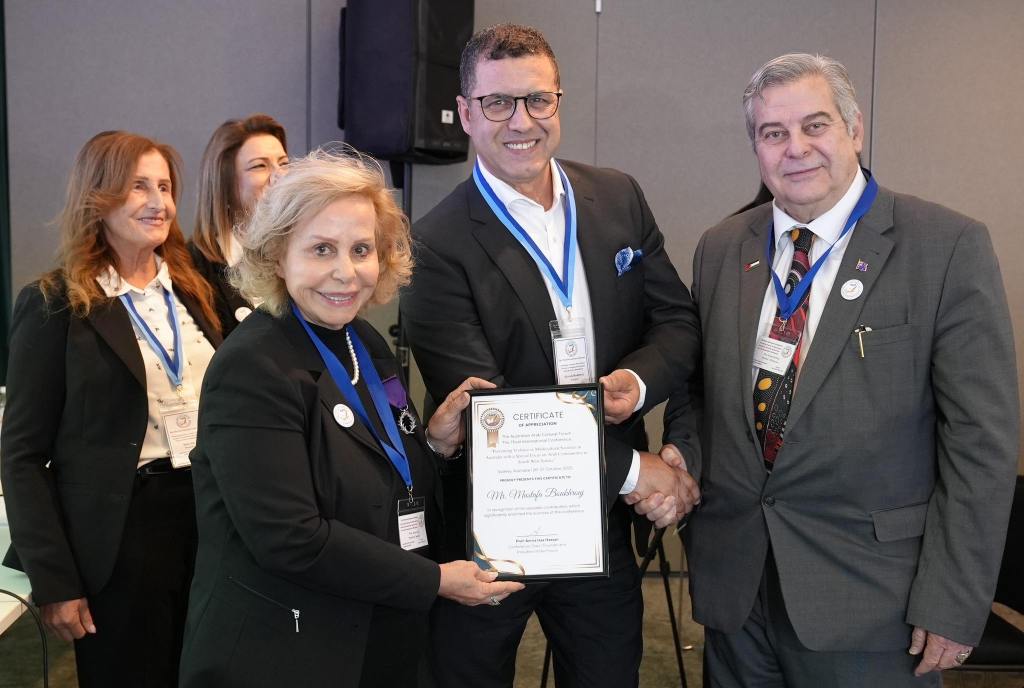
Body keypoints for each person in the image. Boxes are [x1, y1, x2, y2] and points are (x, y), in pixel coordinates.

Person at [664, 53, 1020, 687]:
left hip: (874, 601)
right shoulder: (722, 247)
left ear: (855, 130)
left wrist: (954, 599)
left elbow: (981, 443)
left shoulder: (945, 246)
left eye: (815, 125)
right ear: (756, 147)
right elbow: (700, 387)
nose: (796, 148)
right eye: (773, 133)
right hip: (737, 589)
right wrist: (680, 455)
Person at [399, 23, 702, 688]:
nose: (522, 122)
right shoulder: (435, 244)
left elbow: (677, 322)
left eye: (538, 99)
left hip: (600, 527)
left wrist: (637, 380)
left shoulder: (618, 197)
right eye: (499, 103)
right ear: (466, 113)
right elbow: (490, 411)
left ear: (558, 101)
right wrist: (636, 472)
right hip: (491, 532)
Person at [177, 149, 524, 688]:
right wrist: (434, 580)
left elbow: (378, 475)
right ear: (277, 256)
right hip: (285, 651)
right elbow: (289, 538)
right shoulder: (251, 366)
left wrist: (434, 445)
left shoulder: (361, 340)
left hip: (375, 632)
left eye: (361, 249)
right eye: (321, 249)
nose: (345, 272)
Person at [0, 131, 222, 687]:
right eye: (138, 187)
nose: (159, 202)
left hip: (211, 515)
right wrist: (55, 580)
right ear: (98, 199)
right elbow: (22, 456)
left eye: (165, 187)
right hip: (123, 536)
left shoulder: (196, 290)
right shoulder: (55, 304)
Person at [190, 113, 289, 334]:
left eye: (284, 163)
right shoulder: (193, 268)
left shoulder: (302, 252)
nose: (279, 176)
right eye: (260, 166)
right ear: (224, 184)